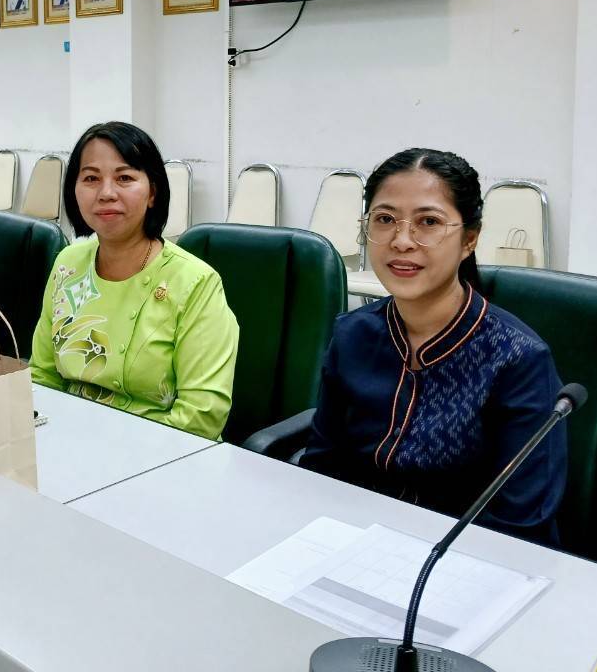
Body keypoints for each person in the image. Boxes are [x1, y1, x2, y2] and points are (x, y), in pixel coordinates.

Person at [300, 148, 567, 544]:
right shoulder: (353, 333)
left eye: (428, 222)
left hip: (462, 556)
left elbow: (521, 522)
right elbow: (322, 465)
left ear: (469, 239)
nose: (402, 241)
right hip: (353, 539)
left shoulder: (516, 358)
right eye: (385, 219)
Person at [30, 122, 239, 440]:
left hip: (162, 455)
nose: (106, 193)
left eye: (125, 178)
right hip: (66, 441)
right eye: (91, 178)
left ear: (152, 192)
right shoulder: (68, 264)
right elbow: (42, 375)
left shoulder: (195, 283)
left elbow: (200, 418)